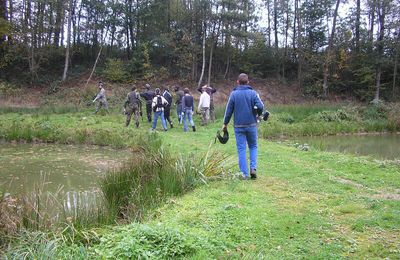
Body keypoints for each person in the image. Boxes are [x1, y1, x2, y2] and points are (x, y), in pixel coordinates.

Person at [222, 73, 264, 180]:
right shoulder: (253, 93)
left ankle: (244, 174)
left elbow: (228, 111)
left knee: (241, 149)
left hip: (238, 126)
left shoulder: (233, 94)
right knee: (253, 146)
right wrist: (258, 113)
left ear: (237, 82)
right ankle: (253, 168)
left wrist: (225, 123)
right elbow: (261, 106)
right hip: (252, 125)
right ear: (248, 82)